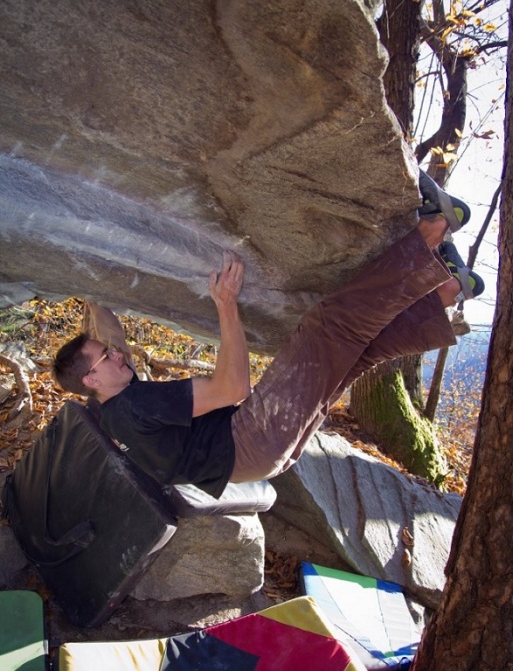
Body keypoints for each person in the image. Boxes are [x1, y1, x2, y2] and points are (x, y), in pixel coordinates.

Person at [52, 171, 485, 498]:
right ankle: (432, 230)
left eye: (109, 350)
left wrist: (94, 293)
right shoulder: (134, 404)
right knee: (328, 326)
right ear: (91, 381)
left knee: (355, 353)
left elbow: (113, 343)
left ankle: (446, 291)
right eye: (105, 357)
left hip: (259, 458)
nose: (116, 354)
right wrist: (226, 304)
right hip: (252, 437)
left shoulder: (115, 408)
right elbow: (232, 387)